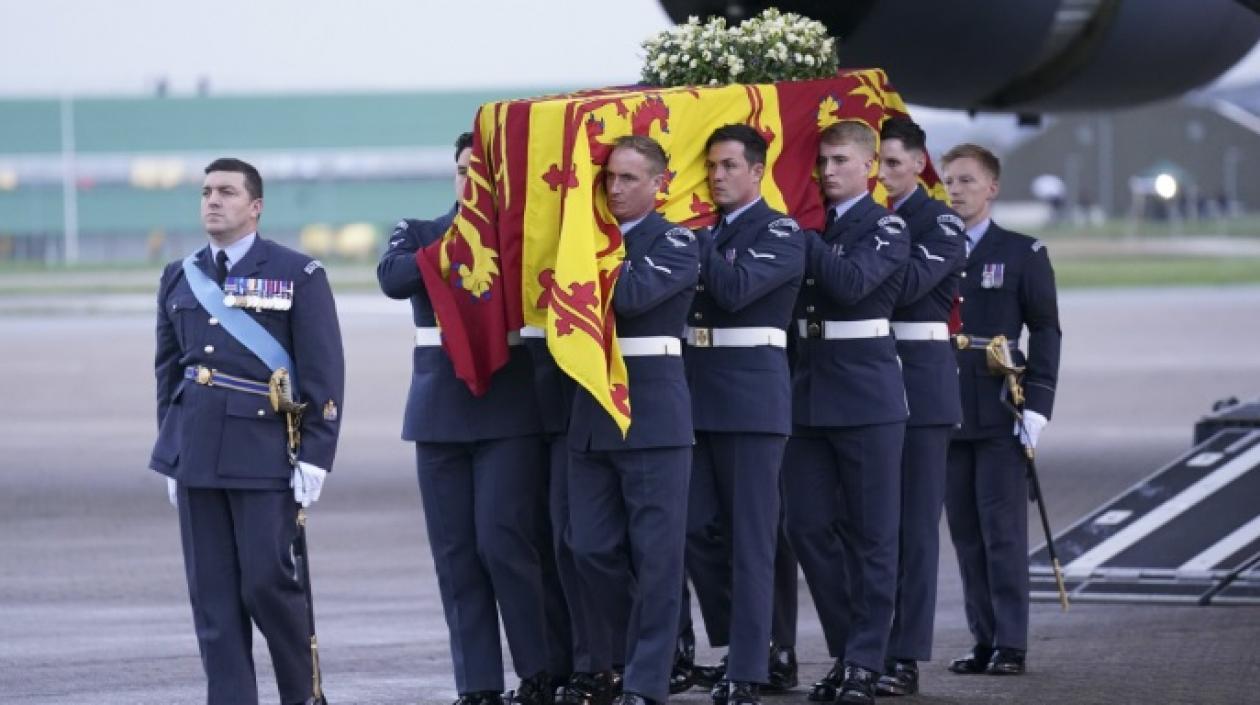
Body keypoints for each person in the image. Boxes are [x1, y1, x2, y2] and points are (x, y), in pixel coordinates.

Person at [151, 157, 345, 705]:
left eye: (227, 192)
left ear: (254, 207)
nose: (213, 200)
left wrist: (317, 454)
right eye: (207, 191)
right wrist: (171, 450)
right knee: (212, 601)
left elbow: (324, 368)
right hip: (196, 455)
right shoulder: (178, 276)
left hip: (263, 454)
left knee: (268, 585)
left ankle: (302, 696)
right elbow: (169, 373)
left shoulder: (298, 274)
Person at [378, 133, 555, 705]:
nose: (468, 181)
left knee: (505, 544)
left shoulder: (524, 240)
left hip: (509, 410)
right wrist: (462, 241)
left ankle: (539, 672)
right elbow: (393, 277)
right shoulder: (421, 232)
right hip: (438, 414)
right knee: (455, 555)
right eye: (461, 171)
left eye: (480, 174)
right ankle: (477, 683)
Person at [566, 134, 699, 705]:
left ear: (658, 184)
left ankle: (647, 681)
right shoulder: (586, 242)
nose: (615, 189)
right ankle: (630, 657)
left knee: (657, 556)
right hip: (594, 411)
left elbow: (635, 296)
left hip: (651, 411)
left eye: (628, 179)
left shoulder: (676, 241)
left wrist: (580, 258)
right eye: (609, 179)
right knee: (590, 546)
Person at [782, 120, 909, 705]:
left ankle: (865, 661)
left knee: (872, 536)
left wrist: (804, 234)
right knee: (807, 526)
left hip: (865, 398)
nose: (827, 172)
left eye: (838, 161)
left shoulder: (885, 226)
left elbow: (853, 284)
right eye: (822, 163)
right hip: (809, 393)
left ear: (869, 166)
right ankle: (847, 650)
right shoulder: (814, 225)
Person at [684, 123, 805, 705]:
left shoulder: (781, 232)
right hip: (698, 398)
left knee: (752, 540)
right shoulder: (706, 232)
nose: (717, 176)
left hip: (752, 404)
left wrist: (694, 242)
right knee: (696, 530)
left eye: (730, 165)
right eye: (711, 166)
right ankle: (736, 642)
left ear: (757, 171)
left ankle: (751, 668)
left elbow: (733, 292)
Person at [939, 143, 1061, 677]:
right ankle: (984, 638)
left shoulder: (1022, 252)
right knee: (965, 533)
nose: (955, 189)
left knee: (1002, 531)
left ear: (992, 188)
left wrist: (1038, 405)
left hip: (998, 403)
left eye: (967, 180)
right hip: (946, 404)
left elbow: (1047, 329)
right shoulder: (933, 247)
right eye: (949, 180)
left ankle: (1012, 641)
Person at [873, 117, 966, 697]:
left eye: (893, 164)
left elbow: (900, 287)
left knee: (913, 528)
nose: (882, 174)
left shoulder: (941, 222)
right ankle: (867, 645)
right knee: (866, 525)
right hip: (868, 379)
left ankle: (904, 653)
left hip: (921, 386)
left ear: (918, 164)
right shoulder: (862, 219)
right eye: (876, 163)